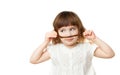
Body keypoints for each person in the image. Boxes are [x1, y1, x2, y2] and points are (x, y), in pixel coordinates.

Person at [30, 11, 115, 75]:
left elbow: (109, 54)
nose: (69, 34)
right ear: (57, 33)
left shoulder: (87, 47)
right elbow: (34, 60)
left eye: (72, 29)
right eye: (63, 30)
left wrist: (95, 39)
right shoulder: (54, 49)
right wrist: (45, 42)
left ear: (80, 30)